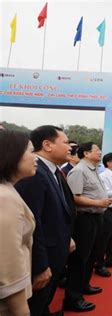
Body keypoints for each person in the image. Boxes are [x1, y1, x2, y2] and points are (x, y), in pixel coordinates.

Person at [15, 125, 76, 315]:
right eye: (65, 142)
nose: (70, 148)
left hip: (56, 252)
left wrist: (67, 238)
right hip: (43, 259)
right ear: (47, 145)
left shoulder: (52, 171)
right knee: (36, 305)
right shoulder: (35, 174)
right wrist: (40, 266)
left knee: (44, 304)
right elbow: (33, 224)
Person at [64, 142, 112, 312]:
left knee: (92, 255)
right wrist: (98, 202)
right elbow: (74, 198)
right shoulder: (78, 171)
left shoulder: (92, 169)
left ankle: (84, 286)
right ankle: (72, 298)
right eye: (97, 150)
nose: (100, 153)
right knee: (80, 259)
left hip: (96, 217)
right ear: (86, 153)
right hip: (84, 220)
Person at [0, 131, 36, 315]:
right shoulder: (4, 197)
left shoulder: (8, 189)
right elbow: (7, 264)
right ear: (12, 154)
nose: (35, 157)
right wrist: (20, 308)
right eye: (31, 151)